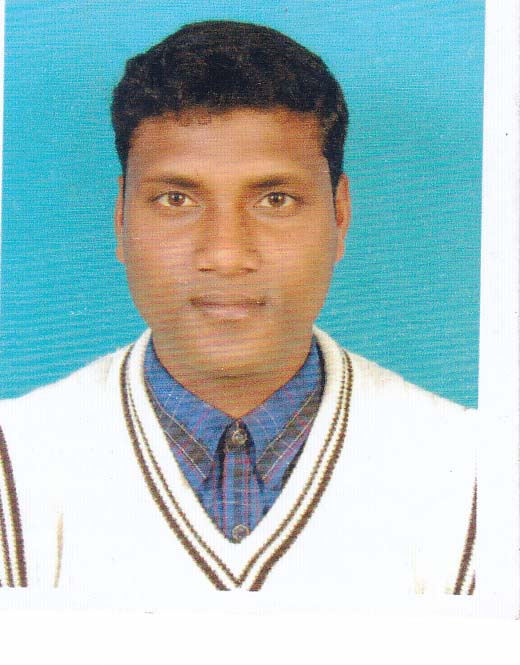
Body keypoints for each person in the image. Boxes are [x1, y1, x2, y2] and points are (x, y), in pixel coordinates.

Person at [0, 21, 475, 596]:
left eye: (276, 199)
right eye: (176, 198)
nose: (226, 255)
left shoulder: (476, 471)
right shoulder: (15, 465)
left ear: (339, 216)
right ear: (121, 219)